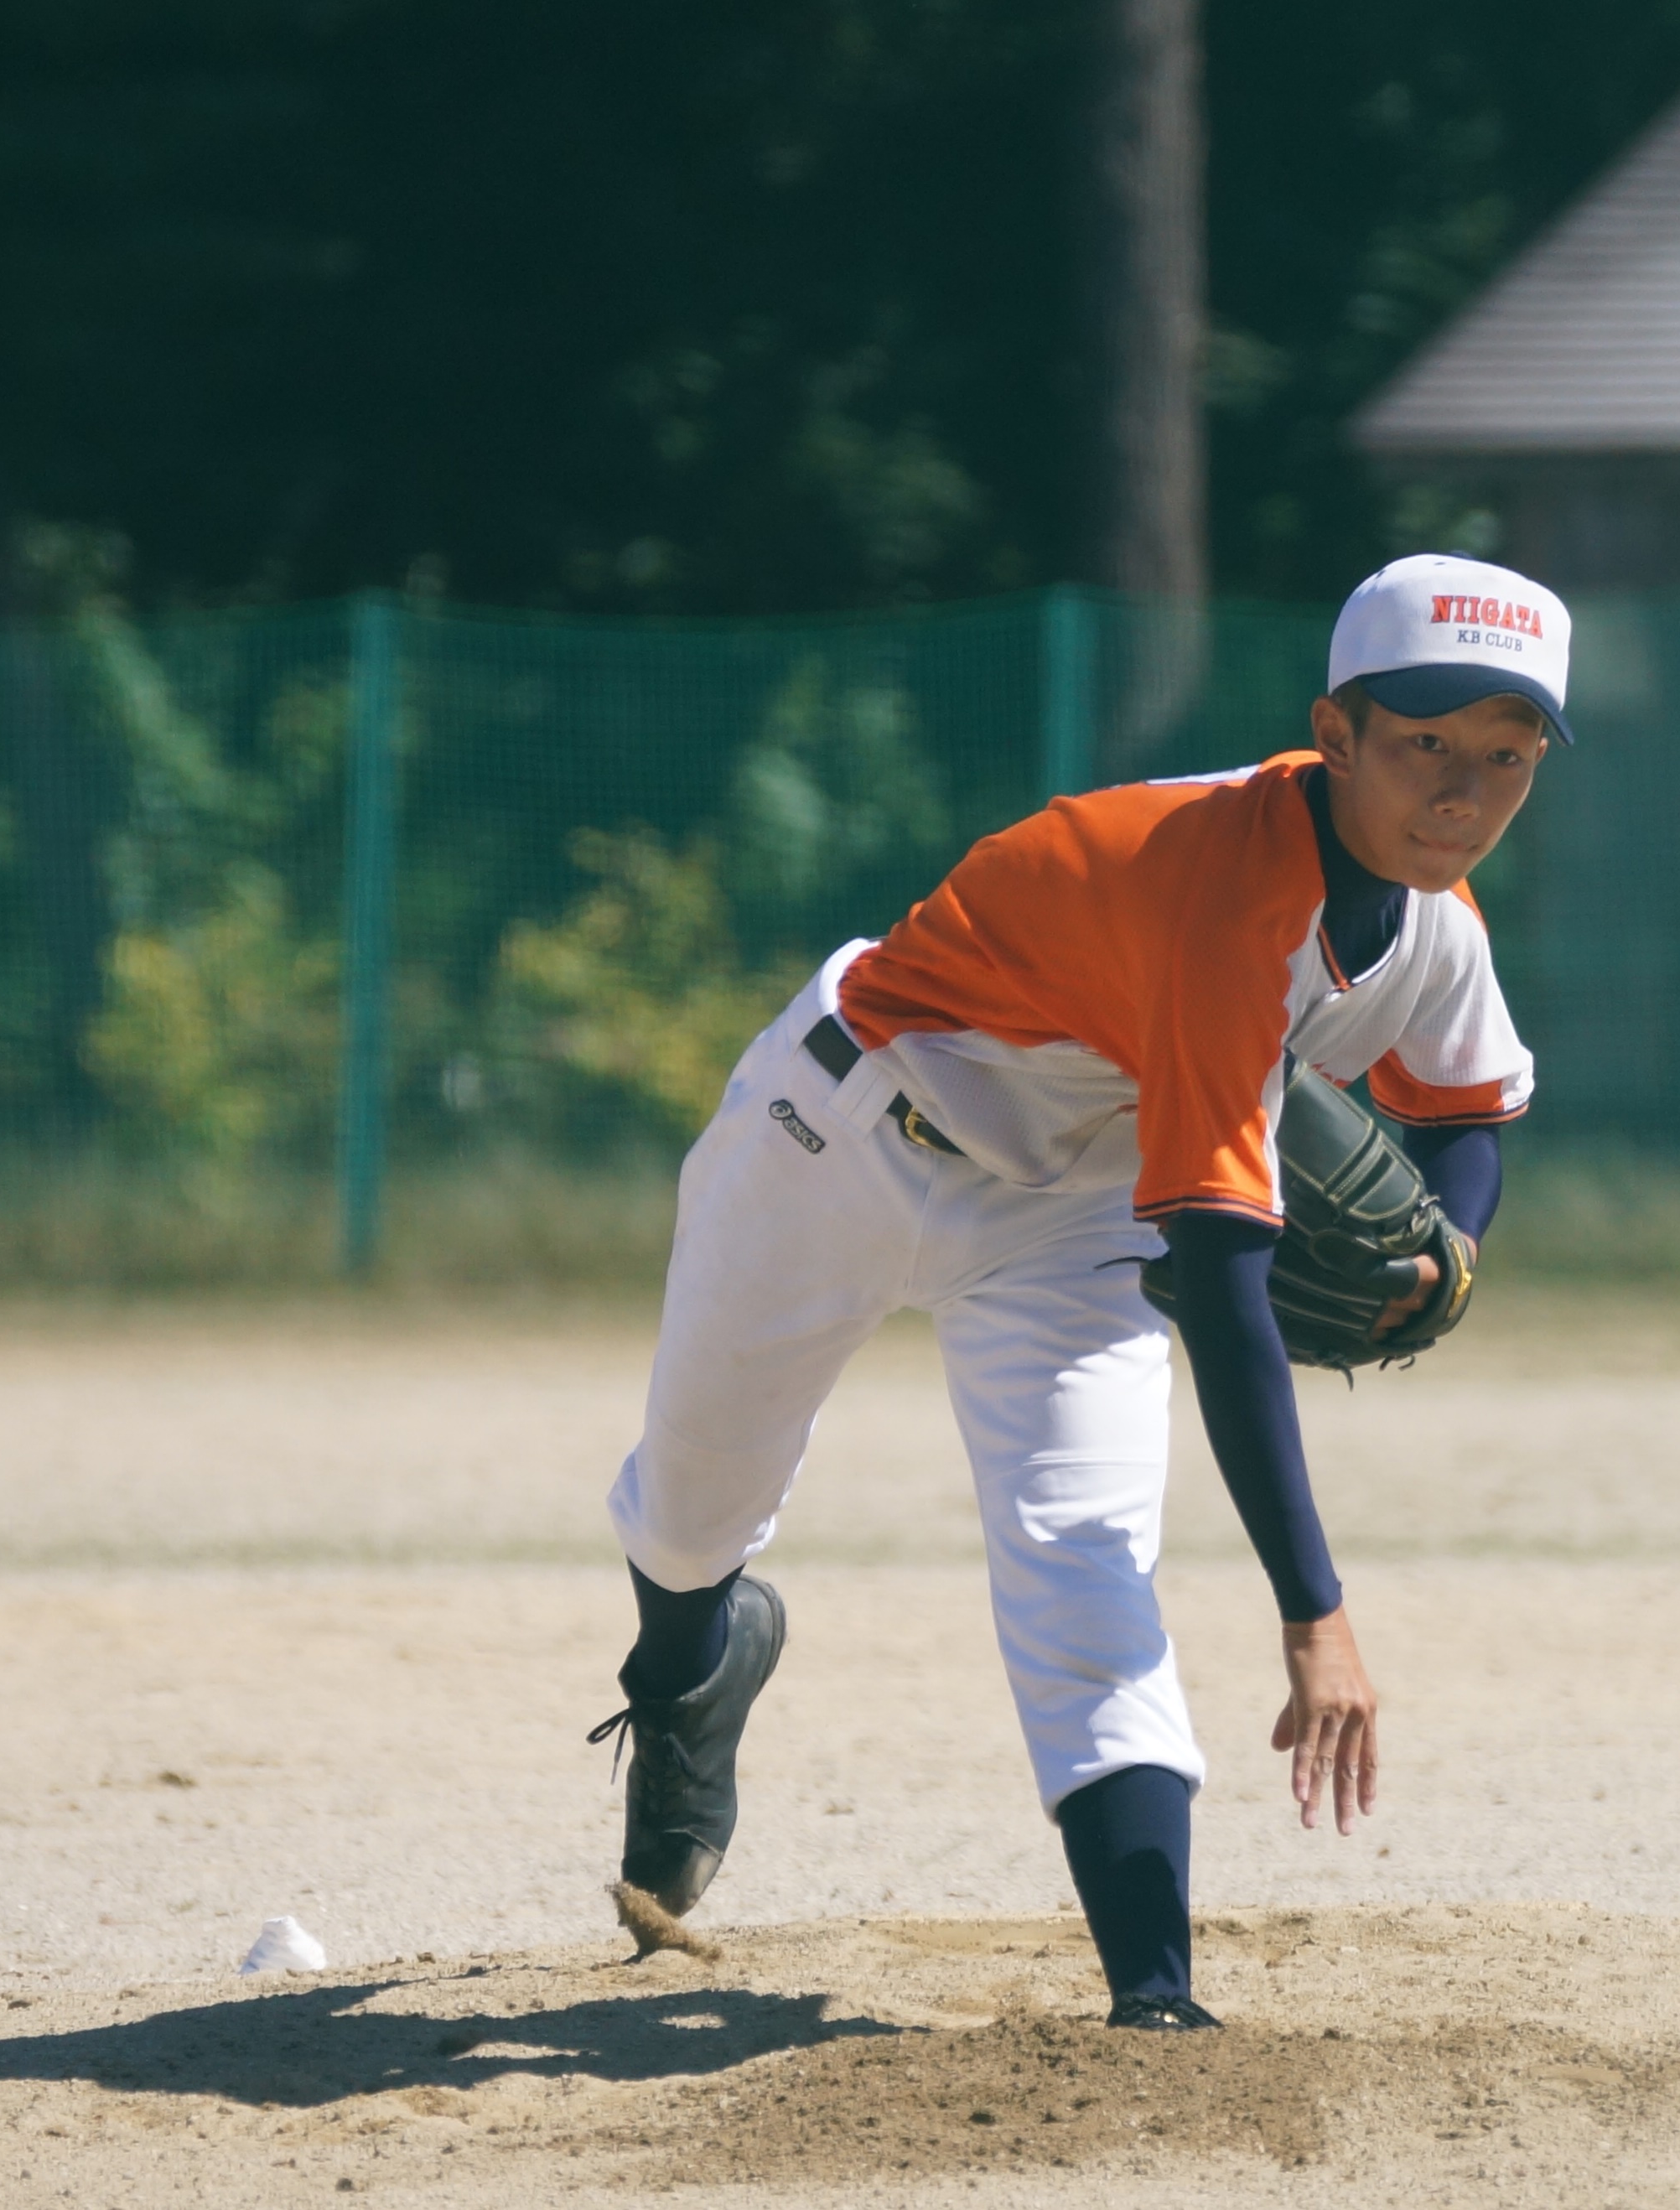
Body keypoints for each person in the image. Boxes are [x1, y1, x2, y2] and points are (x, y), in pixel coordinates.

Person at [589, 553, 1572, 2028]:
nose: (1461, 790)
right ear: (1336, 730)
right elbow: (1229, 1289)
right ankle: (691, 1678)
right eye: (1424, 742)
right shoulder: (1228, 895)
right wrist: (1315, 1616)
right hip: (847, 1126)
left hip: (1071, 1204)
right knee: (689, 1509)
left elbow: (1471, 1106)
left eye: (1504, 755)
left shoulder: (1434, 921)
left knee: (1086, 1557)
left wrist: (1452, 1246)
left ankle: (1154, 2003)